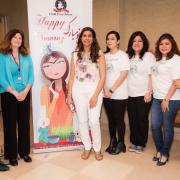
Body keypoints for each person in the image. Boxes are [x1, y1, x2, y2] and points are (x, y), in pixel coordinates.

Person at [67, 27, 105, 160]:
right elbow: (71, 77)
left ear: (93, 38)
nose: (87, 38)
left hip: (95, 91)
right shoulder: (74, 54)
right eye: (84, 35)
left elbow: (103, 76)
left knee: (94, 121)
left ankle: (97, 148)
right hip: (78, 92)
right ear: (81, 38)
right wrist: (68, 96)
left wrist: (95, 96)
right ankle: (87, 147)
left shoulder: (99, 53)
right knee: (82, 121)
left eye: (90, 36)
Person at [0, 29, 34, 166]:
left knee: (24, 123)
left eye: (20, 38)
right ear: (9, 39)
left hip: (25, 93)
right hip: (8, 93)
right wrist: (14, 92)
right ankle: (11, 154)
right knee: (9, 125)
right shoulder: (2, 55)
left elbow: (31, 75)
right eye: (15, 37)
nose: (18, 40)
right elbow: (1, 77)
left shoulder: (26, 55)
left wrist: (25, 91)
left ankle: (24, 152)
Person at [151, 33, 180, 166]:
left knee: (167, 128)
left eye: (167, 43)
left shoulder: (176, 59)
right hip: (157, 97)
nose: (164, 46)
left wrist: (166, 99)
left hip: (171, 99)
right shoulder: (157, 59)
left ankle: (164, 153)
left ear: (172, 45)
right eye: (161, 44)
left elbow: (176, 82)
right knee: (155, 125)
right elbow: (153, 75)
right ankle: (160, 149)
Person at [126, 31, 155, 153]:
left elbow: (152, 75)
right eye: (134, 41)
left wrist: (149, 91)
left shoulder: (149, 56)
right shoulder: (128, 56)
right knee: (132, 118)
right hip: (129, 93)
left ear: (144, 43)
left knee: (142, 118)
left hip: (143, 93)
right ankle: (134, 141)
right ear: (131, 43)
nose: (137, 43)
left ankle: (141, 143)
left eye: (139, 41)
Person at [103, 31, 130, 155]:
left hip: (119, 93)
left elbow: (124, 74)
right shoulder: (104, 56)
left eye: (112, 39)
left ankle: (121, 143)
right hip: (106, 93)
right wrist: (105, 89)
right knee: (111, 119)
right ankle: (112, 140)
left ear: (118, 41)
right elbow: (101, 74)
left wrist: (112, 89)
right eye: (108, 39)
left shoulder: (123, 55)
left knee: (119, 119)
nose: (109, 41)